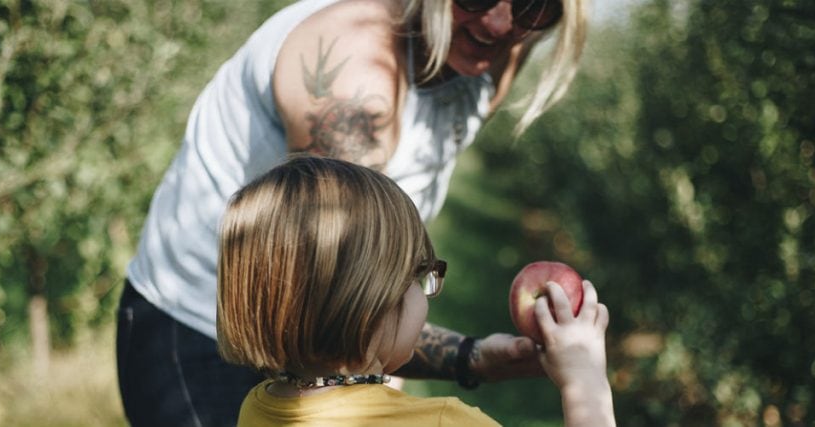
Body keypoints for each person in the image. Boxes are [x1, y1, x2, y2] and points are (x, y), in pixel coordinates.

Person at [116, 0, 588, 425]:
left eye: (535, 6)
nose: (501, 22)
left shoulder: (492, 48)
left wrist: (404, 377)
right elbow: (343, 296)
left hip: (324, 351)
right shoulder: (354, 68)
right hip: (203, 332)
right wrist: (472, 360)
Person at [216, 156, 615, 426]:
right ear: (371, 301)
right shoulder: (446, 422)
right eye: (417, 277)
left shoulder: (258, 407)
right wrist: (585, 382)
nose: (423, 294)